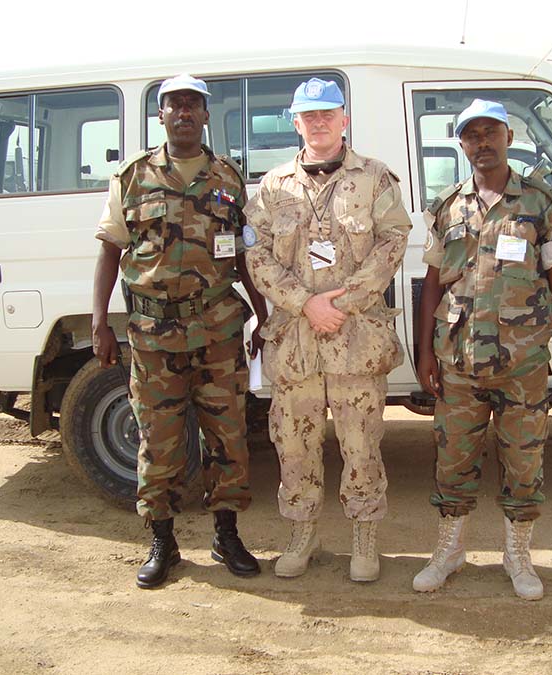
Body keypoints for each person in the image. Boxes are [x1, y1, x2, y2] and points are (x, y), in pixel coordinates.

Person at [92, 74, 268, 589]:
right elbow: (109, 252)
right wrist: (101, 323)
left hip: (217, 331)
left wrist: (262, 315)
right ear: (161, 115)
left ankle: (226, 535)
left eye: (193, 105)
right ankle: (162, 542)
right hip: (153, 336)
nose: (184, 113)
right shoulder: (132, 177)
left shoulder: (229, 179)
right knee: (160, 441)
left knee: (228, 437)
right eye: (174, 105)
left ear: (206, 115)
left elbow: (243, 256)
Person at [412, 99, 552, 600]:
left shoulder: (540, 201)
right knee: (453, 459)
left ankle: (518, 556)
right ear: (462, 144)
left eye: (491, 133)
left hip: (522, 362)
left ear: (508, 137)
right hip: (459, 361)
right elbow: (433, 284)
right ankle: (449, 551)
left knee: (524, 460)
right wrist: (425, 353)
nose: (482, 143)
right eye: (472, 135)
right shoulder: (447, 206)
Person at [243, 78, 411, 582]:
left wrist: (344, 302)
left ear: (344, 120)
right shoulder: (273, 187)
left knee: (362, 442)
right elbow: (256, 254)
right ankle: (302, 533)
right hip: (296, 342)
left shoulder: (376, 178)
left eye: (327, 114)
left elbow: (392, 243)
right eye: (308, 115)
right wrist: (305, 304)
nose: (318, 122)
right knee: (294, 443)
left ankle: (364, 537)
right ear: (296, 123)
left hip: (356, 339)